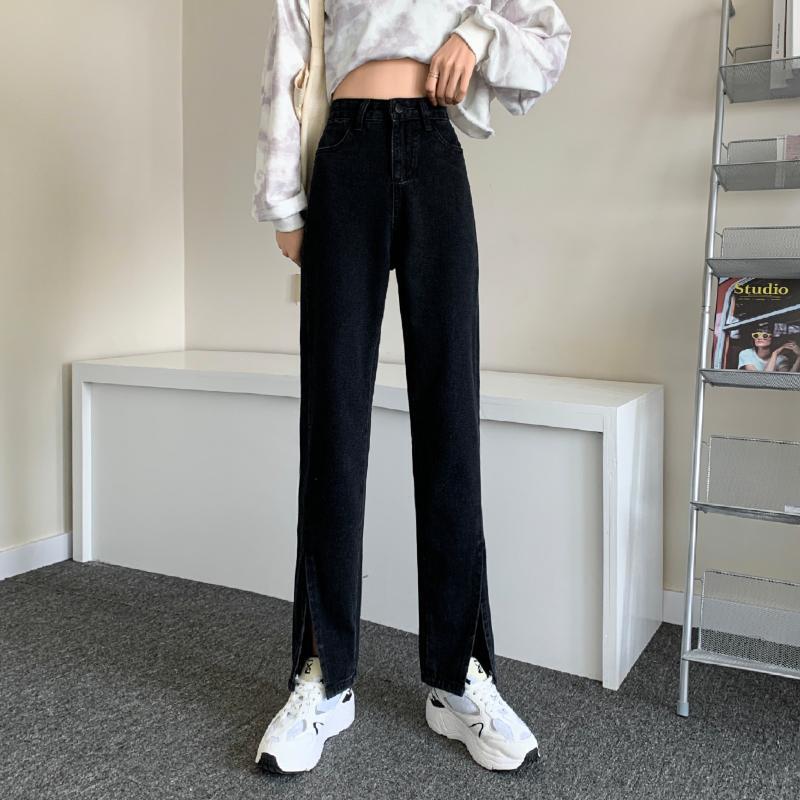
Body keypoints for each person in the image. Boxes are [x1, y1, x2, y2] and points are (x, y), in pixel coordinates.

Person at [250, 0, 571, 774]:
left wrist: (477, 33)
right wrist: (284, 201)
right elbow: (288, 53)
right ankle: (324, 675)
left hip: (433, 149)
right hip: (345, 157)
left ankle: (459, 677)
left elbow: (547, 42)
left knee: (451, 420)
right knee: (333, 426)